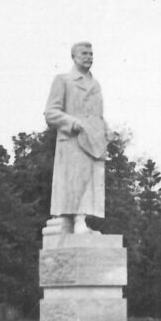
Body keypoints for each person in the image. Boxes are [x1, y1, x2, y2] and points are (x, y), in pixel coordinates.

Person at [44, 41, 109, 235]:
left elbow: (97, 114)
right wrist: (73, 123)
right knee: (75, 181)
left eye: (91, 53)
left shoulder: (95, 84)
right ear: (74, 56)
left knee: (90, 182)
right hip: (73, 141)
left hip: (94, 141)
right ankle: (76, 220)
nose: (89, 56)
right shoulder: (63, 80)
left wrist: (106, 129)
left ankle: (82, 220)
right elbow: (51, 112)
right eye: (84, 53)